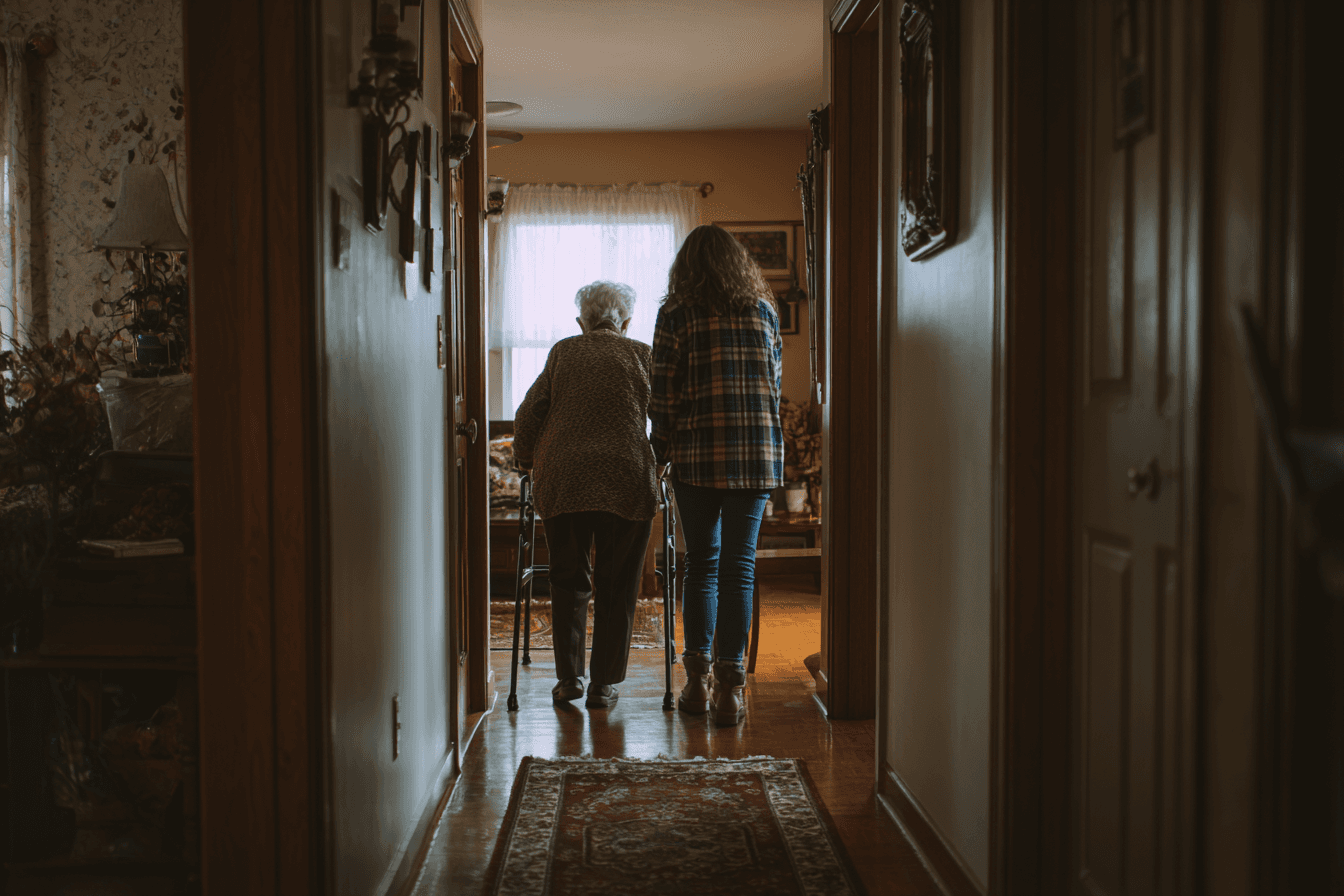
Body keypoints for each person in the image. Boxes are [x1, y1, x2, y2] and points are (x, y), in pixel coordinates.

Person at [649, 224, 783, 725]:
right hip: (756, 454)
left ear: (686, 266)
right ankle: (730, 690)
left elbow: (663, 392)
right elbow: (773, 384)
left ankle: (696, 684)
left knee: (701, 564)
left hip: (698, 453)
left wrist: (660, 448)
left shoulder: (676, 313)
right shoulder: (764, 310)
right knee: (739, 567)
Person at [512, 281, 659, 709]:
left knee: (567, 579)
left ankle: (569, 679)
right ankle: (603, 684)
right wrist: (660, 458)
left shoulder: (564, 351)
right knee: (618, 584)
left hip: (565, 477)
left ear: (582, 323)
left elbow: (529, 413)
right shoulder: (642, 354)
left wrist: (524, 457)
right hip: (626, 477)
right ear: (626, 323)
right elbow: (665, 414)